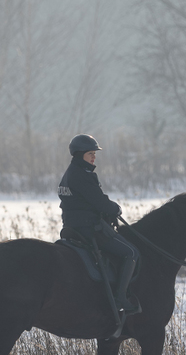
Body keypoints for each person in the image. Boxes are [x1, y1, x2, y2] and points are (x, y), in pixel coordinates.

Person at [58, 134, 141, 315]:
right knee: (131, 252)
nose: (94, 157)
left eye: (94, 153)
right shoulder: (82, 175)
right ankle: (120, 298)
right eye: (90, 153)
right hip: (88, 228)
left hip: (72, 226)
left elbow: (85, 201)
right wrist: (114, 208)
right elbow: (99, 202)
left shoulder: (71, 173)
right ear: (79, 154)